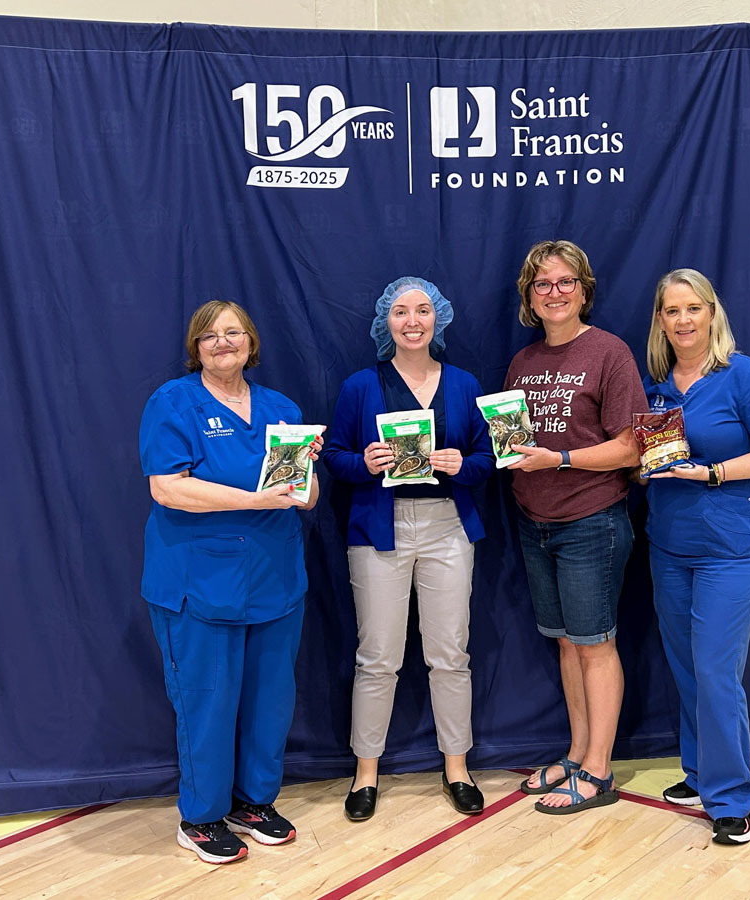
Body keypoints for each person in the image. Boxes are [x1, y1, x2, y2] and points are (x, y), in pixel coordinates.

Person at [138, 300, 321, 864]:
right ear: (196, 347)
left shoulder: (281, 408)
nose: (223, 342)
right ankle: (201, 817)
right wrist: (253, 500)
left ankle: (254, 803)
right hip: (199, 581)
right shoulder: (173, 402)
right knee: (207, 702)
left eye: (234, 332)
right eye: (210, 335)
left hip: (275, 578)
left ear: (251, 342)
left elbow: (305, 496)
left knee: (270, 700)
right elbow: (167, 487)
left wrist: (306, 472)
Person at [322, 276, 495, 822]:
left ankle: (457, 768)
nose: (412, 321)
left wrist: (462, 465)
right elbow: (335, 456)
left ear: (438, 318)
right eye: (401, 312)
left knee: (450, 654)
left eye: (423, 310)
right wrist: (364, 463)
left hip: (448, 527)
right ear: (386, 322)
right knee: (378, 656)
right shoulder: (360, 386)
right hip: (381, 528)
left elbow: (488, 458)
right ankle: (366, 773)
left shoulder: (464, 384)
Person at [642, 268, 750, 846]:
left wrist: (712, 473)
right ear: (660, 321)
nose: (683, 320)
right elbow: (644, 459)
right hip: (669, 546)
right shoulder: (655, 385)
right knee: (686, 667)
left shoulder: (742, 374)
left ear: (712, 313)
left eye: (693, 309)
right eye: (671, 311)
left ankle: (732, 798)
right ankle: (700, 771)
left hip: (731, 550)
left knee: (714, 670)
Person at [505, 240, 648, 815]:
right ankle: (577, 755)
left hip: (592, 521)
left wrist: (558, 459)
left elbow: (631, 447)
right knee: (567, 643)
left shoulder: (610, 352)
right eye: (542, 284)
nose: (555, 292)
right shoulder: (523, 361)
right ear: (529, 298)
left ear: (584, 291)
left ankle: (600, 771)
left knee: (595, 645)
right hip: (534, 522)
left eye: (566, 282)